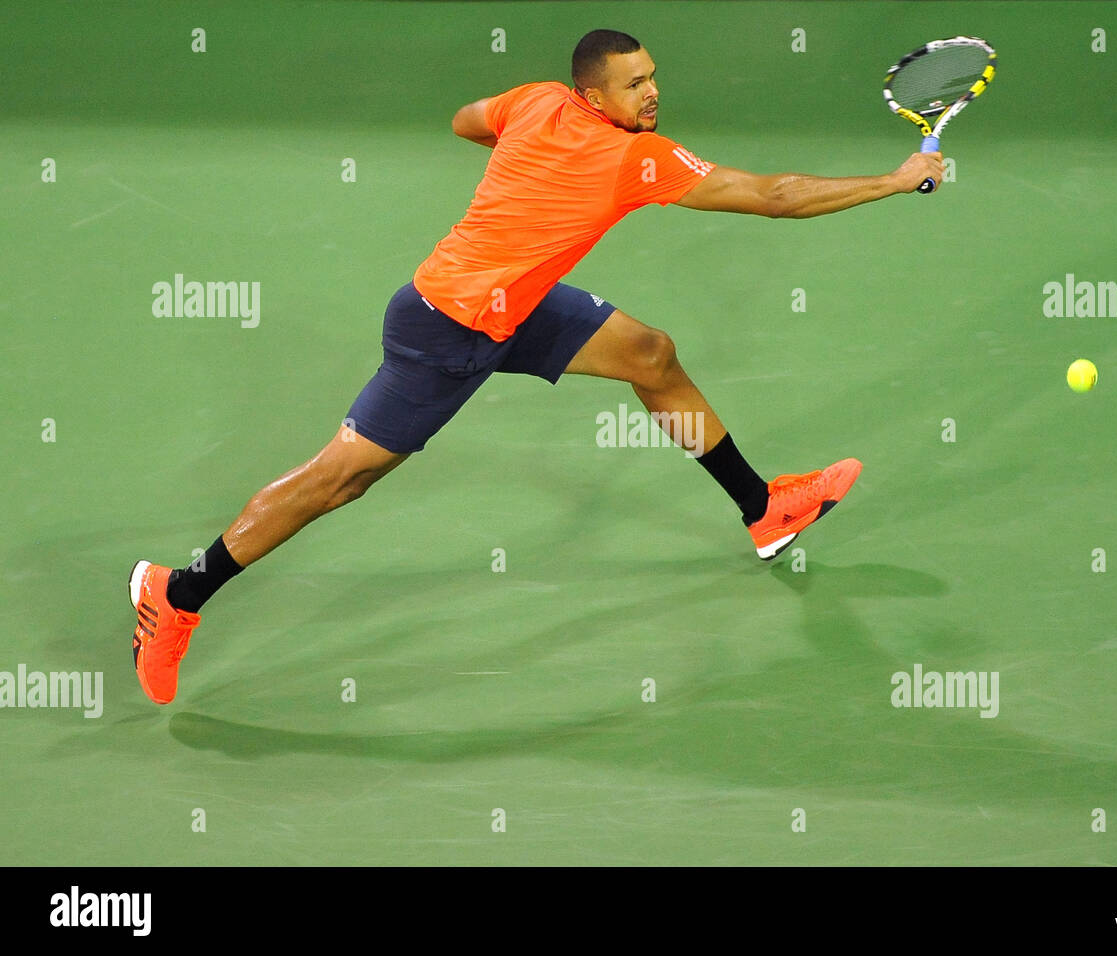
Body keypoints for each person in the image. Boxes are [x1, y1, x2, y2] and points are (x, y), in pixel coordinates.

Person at [129, 29, 945, 705]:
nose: (651, 95)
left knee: (650, 355)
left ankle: (763, 507)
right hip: (444, 330)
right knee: (337, 482)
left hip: (517, 305)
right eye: (633, 86)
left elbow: (462, 120)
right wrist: (896, 180)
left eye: (652, 78)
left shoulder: (535, 100)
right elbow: (773, 196)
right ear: (595, 97)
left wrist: (520, 146)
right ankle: (177, 594)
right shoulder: (639, 160)